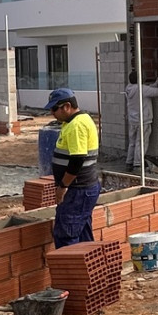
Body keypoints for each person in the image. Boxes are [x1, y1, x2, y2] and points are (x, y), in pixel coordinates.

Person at [45, 88, 101, 248]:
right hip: (81, 189)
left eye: (54, 108)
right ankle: (87, 270)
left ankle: (70, 271)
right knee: (83, 234)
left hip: (78, 190)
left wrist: (63, 187)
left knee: (65, 235)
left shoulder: (77, 125)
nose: (52, 113)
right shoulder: (73, 122)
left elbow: (77, 160)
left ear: (67, 106)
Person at [124, 72, 158, 172]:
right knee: (141, 143)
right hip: (143, 120)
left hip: (133, 120)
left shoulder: (129, 88)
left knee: (133, 143)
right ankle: (138, 165)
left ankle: (129, 163)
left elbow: (148, 89)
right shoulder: (142, 89)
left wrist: (155, 83)